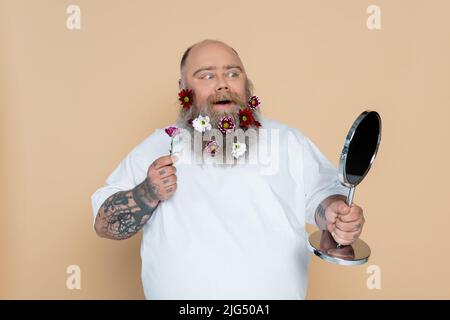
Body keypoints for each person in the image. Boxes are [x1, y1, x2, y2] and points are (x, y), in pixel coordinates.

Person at [91, 39, 365, 299]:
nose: (222, 84)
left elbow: (323, 199)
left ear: (246, 83)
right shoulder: (158, 146)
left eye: (233, 74)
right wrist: (147, 192)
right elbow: (105, 225)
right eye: (206, 76)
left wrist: (333, 214)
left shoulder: (287, 141)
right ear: (183, 87)